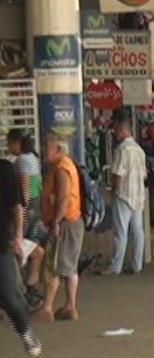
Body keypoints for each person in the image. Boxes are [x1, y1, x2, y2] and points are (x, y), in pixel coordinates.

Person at [37, 135, 85, 322]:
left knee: (55, 266)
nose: (43, 150)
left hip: (65, 222)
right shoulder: (61, 166)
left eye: (47, 147)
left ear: (58, 149)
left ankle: (47, 308)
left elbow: (63, 197)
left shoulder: (62, 167)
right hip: (70, 220)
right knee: (68, 266)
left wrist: (55, 221)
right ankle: (69, 306)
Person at [0, 157, 42, 356]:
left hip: (1, 243)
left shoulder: (5, 170)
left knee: (7, 296)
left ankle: (26, 332)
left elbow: (17, 207)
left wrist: (17, 237)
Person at [101, 116, 148, 275]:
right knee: (137, 231)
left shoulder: (122, 150)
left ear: (122, 129)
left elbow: (118, 175)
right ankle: (137, 264)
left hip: (123, 196)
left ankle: (116, 266)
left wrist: (113, 192)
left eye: (115, 130)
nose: (114, 133)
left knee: (120, 232)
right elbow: (143, 175)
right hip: (138, 196)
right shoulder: (139, 150)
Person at [7, 129, 45, 306]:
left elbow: (25, 191)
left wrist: (20, 216)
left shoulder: (22, 161)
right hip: (35, 211)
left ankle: (24, 290)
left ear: (16, 143)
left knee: (20, 250)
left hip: (27, 212)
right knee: (33, 250)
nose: (8, 146)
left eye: (9, 142)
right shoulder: (32, 159)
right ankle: (30, 287)